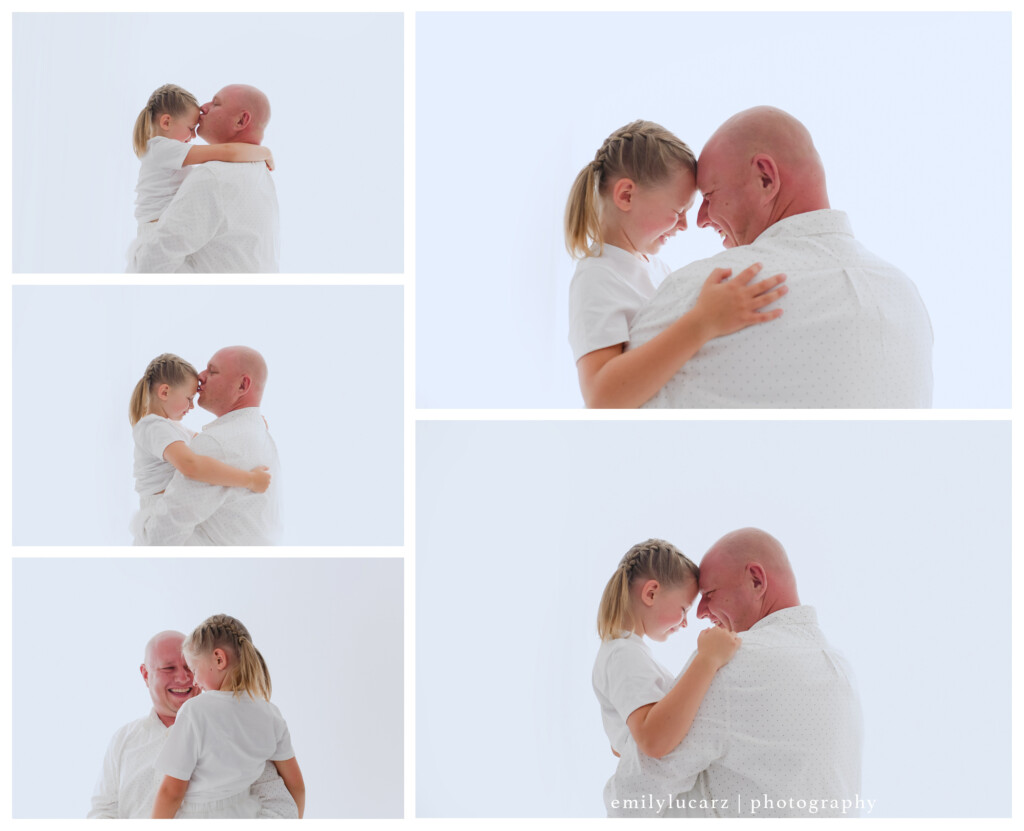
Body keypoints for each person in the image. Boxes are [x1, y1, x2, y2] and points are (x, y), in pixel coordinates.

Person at [628, 106, 933, 408]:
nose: (701, 219)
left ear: (765, 178)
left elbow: (609, 416)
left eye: (709, 196)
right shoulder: (906, 297)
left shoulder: (704, 291)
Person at [638, 528, 864, 818]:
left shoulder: (726, 661)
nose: (699, 612)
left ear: (756, 580)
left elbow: (641, 787)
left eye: (709, 594)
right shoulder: (841, 670)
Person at [565, 120, 788, 408]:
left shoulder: (655, 268)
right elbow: (601, 397)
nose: (685, 225)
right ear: (626, 196)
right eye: (678, 211)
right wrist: (704, 321)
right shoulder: (596, 275)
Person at [592, 539, 742, 817]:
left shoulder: (623, 652)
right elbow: (653, 740)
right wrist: (707, 659)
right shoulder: (623, 655)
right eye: (684, 609)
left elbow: (622, 745)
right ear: (650, 593)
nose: (686, 621)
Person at [88, 630, 297, 818]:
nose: (183, 678)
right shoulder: (124, 740)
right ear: (145, 674)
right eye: (168, 668)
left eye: (190, 667)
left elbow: (278, 803)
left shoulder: (238, 728)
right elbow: (103, 812)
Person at [151, 615, 305, 819]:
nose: (195, 681)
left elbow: (171, 792)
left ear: (219, 659)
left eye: (195, 669)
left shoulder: (195, 711)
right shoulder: (270, 714)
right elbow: (296, 787)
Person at [129, 85, 280, 273]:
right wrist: (263, 152)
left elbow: (151, 263)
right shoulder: (261, 174)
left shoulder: (213, 176)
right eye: (190, 128)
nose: (203, 108)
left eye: (216, 103)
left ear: (241, 120)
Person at [139, 346, 281, 546]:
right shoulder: (260, 435)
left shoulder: (215, 444)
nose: (200, 377)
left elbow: (159, 540)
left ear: (242, 385)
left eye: (212, 371)